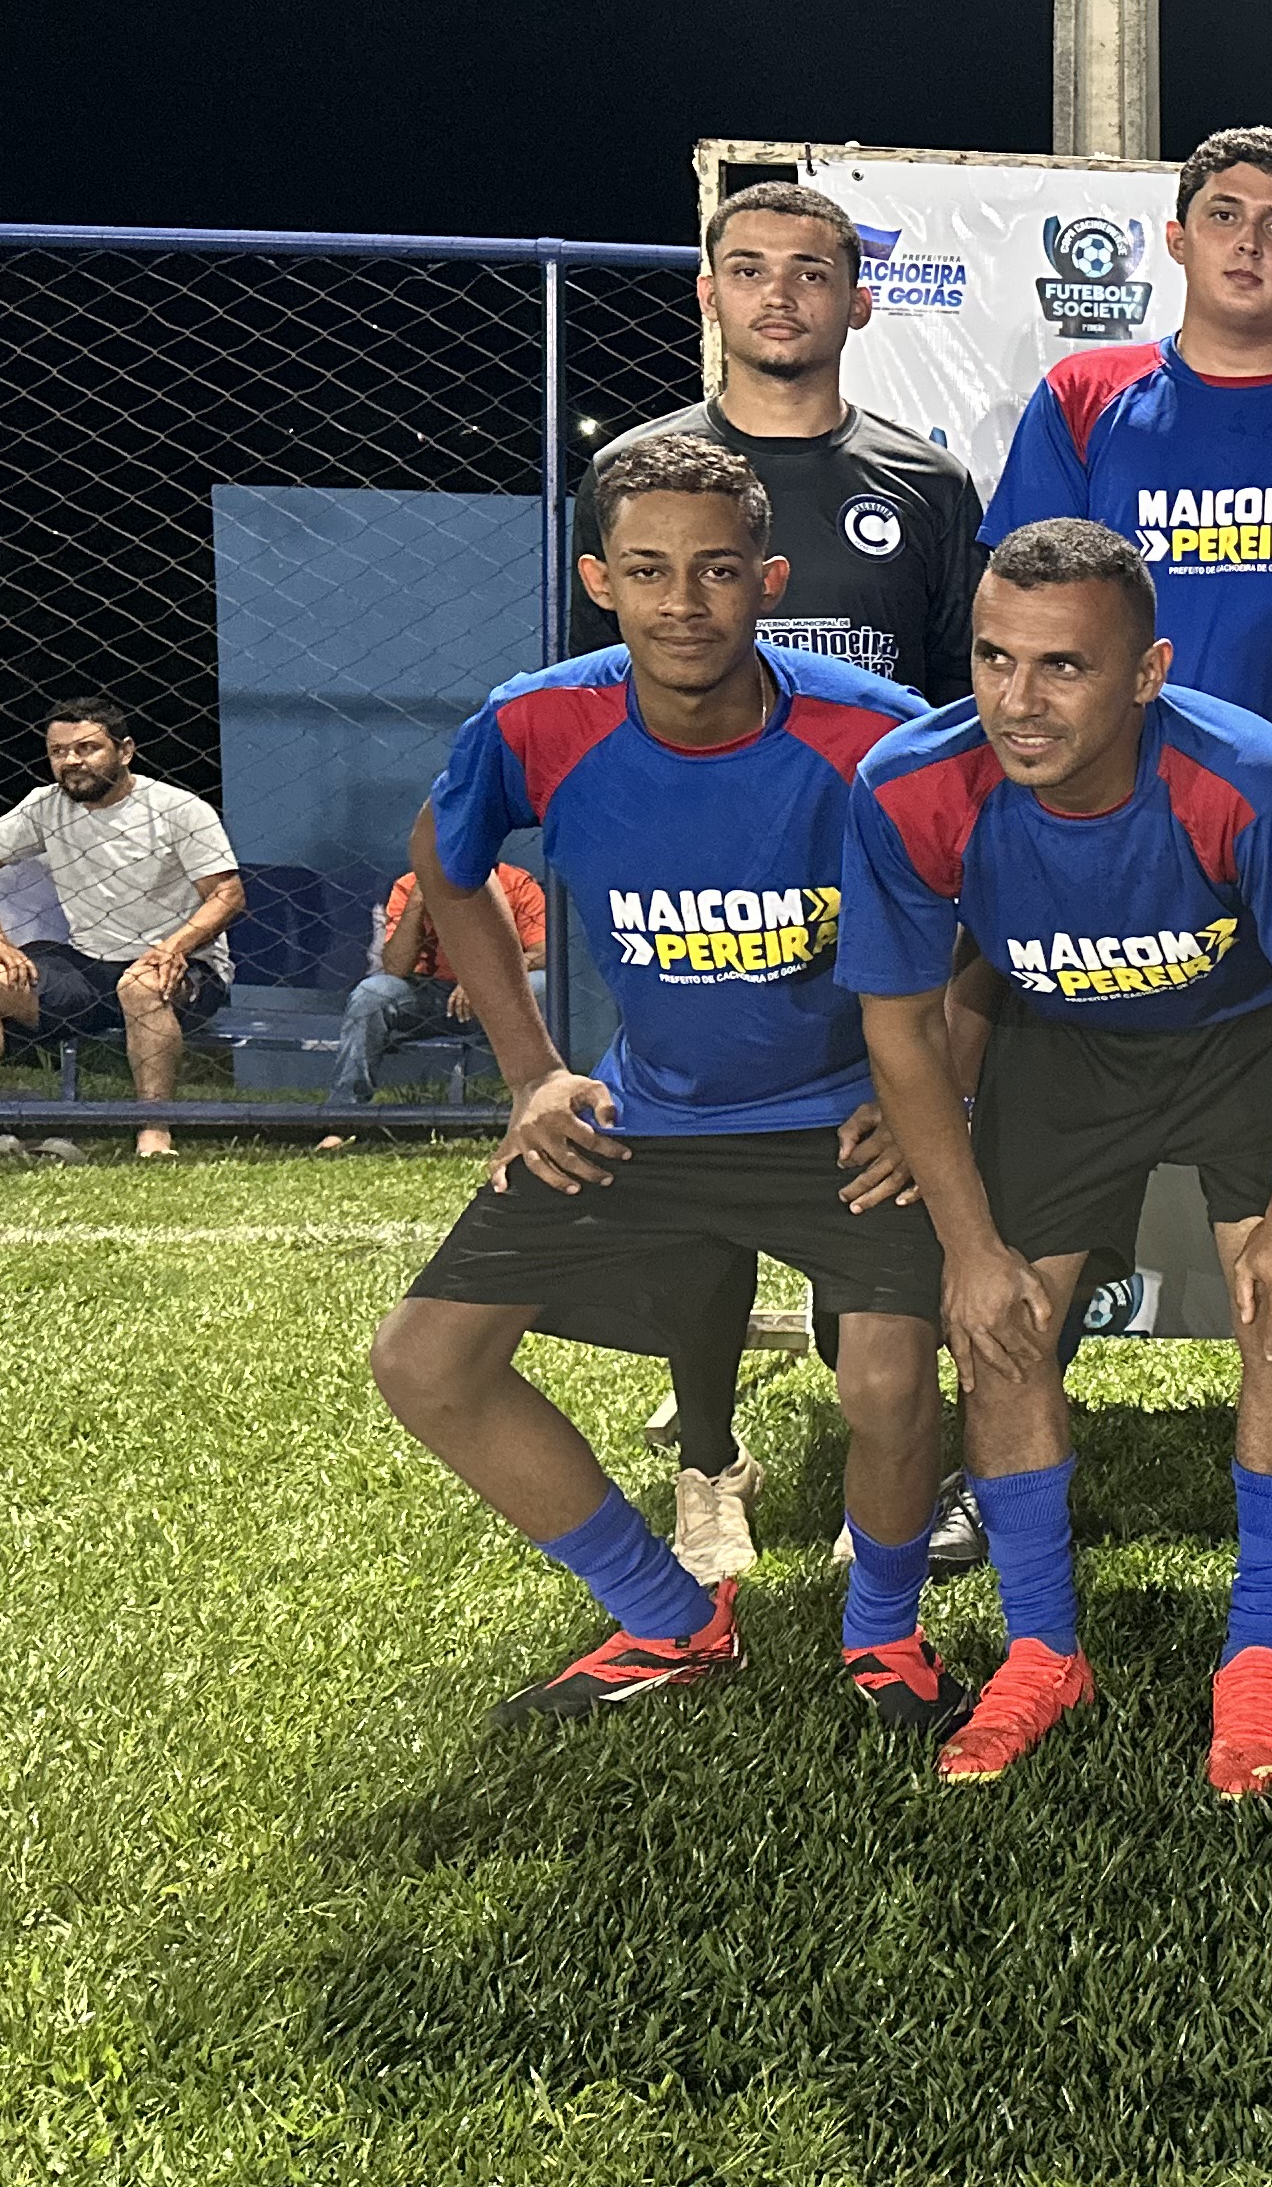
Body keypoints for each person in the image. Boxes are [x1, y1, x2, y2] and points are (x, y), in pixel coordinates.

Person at [361, 435, 961, 1730]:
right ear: (600, 582)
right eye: (647, 571)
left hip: (839, 1122)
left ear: (769, 581)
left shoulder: (878, 732)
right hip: (648, 1117)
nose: (684, 602)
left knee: (886, 1382)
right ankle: (669, 1619)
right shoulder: (536, 720)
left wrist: (927, 1091)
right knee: (425, 1363)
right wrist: (533, 1073)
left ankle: (884, 1635)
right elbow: (445, 864)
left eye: (717, 571)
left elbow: (991, 904)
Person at [844, 519, 1272, 1795]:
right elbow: (900, 1026)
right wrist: (970, 1249)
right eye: (994, 658)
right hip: (1060, 1046)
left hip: (1243, 1041)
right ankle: (1043, 1648)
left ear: (1147, 673)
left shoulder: (1250, 782)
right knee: (1000, 1324)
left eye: (1063, 667)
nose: (1017, 702)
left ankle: (1256, 1655)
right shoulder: (909, 784)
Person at [983, 127, 1272, 1448]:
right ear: (1177, 242)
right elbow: (1022, 612)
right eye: (1226, 216)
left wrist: (1253, 799)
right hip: (1083, 844)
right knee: (1046, 1150)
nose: (1252, 242)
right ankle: (1008, 1432)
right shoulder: (1084, 398)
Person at [570, 180, 991, 1580]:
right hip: (697, 909)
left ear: (859, 301)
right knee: (693, 1192)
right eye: (748, 269)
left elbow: (964, 721)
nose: (779, 295)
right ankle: (709, 1457)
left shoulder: (927, 486)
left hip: (867, 906)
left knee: (887, 1172)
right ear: (708, 294)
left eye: (811, 272)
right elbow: (590, 700)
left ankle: (911, 1460)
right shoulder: (638, 472)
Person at [0, 697, 245, 1158]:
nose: (71, 761)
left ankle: (154, 1136)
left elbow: (228, 894)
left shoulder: (178, 809)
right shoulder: (45, 807)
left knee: (139, 987)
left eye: (87, 748)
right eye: (58, 751)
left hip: (183, 965)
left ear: (125, 751)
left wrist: (174, 947)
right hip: (87, 964)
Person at [314, 858, 546, 1144]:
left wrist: (483, 979)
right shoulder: (409, 884)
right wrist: (418, 901)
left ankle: (539, 1111)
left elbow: (541, 952)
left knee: (540, 985)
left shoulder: (517, 883)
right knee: (372, 993)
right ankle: (344, 1118)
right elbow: (395, 968)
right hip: (429, 995)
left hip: (498, 994)